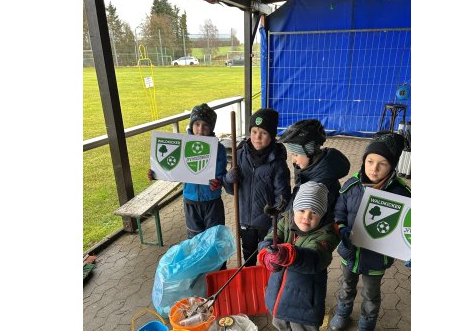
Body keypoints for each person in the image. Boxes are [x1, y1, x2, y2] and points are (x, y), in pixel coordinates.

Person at [329, 132, 411, 331]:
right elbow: (339, 210)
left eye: (382, 164)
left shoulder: (401, 193)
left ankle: (366, 327)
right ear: (364, 160)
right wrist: (342, 228)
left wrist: (409, 250)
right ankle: (342, 313)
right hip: (349, 253)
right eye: (370, 161)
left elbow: (409, 227)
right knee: (346, 286)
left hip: (376, 259)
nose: (374, 168)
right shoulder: (351, 185)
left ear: (392, 167)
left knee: (371, 294)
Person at [257, 181, 339, 331]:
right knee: (278, 319)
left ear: (322, 216)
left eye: (314, 213)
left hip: (304, 298)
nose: (306, 217)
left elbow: (315, 258)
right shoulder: (284, 220)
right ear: (294, 209)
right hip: (278, 291)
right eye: (302, 210)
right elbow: (267, 239)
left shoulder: (326, 235)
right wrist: (266, 254)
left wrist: (290, 254)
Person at [221, 108, 291, 266]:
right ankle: (249, 278)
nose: (257, 137)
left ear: (272, 136)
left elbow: (282, 194)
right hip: (245, 220)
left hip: (268, 223)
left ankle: (268, 284)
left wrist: (277, 213)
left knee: (269, 259)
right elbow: (232, 190)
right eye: (254, 131)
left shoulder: (277, 162)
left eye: (263, 133)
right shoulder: (239, 155)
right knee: (248, 254)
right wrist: (229, 179)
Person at [148, 103, 228, 239]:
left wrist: (218, 182)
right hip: (190, 201)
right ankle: (197, 261)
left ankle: (217, 261)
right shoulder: (183, 146)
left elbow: (221, 174)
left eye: (205, 125)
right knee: (194, 238)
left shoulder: (218, 149)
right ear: (191, 125)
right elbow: (174, 168)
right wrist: (156, 171)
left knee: (214, 238)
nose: (200, 129)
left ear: (212, 128)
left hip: (211, 202)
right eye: (197, 124)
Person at [276, 119, 351, 222]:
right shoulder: (310, 170)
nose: (293, 160)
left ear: (309, 151)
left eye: (295, 154)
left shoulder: (321, 183)